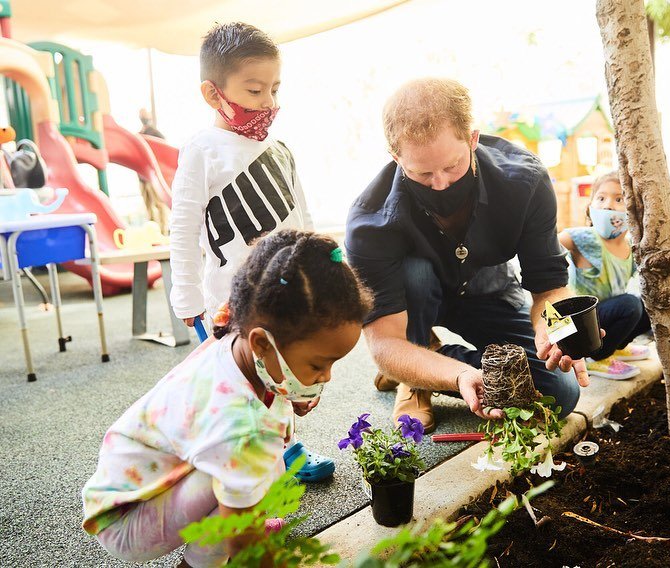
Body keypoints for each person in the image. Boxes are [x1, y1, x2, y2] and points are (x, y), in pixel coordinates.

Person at [82, 231, 372, 567]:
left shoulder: (235, 337)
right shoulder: (242, 428)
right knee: (255, 468)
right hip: (126, 519)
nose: (327, 376)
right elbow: (245, 541)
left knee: (264, 461)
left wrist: (291, 395)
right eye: (318, 364)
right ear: (261, 344)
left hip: (130, 486)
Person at [345, 78, 590, 432]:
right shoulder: (371, 221)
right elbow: (384, 341)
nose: (441, 183)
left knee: (558, 394)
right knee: (416, 273)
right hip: (414, 304)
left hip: (488, 291)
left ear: (472, 139)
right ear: (395, 157)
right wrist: (459, 376)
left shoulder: (526, 182)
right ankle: (414, 377)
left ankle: (423, 363)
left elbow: (550, 288)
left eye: (452, 166)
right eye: (422, 173)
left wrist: (557, 330)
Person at [168, 23, 327, 481]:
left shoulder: (281, 150)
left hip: (286, 290)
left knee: (283, 373)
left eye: (275, 89)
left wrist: (317, 270)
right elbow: (182, 226)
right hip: (229, 300)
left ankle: (288, 451)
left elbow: (303, 217)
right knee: (240, 382)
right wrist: (186, 295)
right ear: (213, 93)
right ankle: (243, 463)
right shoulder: (202, 150)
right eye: (255, 90)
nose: (269, 103)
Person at [558, 172, 651, 381]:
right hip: (582, 323)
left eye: (619, 199)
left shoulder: (630, 248)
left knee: (646, 305)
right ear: (591, 205)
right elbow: (548, 247)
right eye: (601, 198)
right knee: (630, 304)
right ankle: (595, 358)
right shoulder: (586, 238)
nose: (608, 205)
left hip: (604, 318)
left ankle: (615, 347)